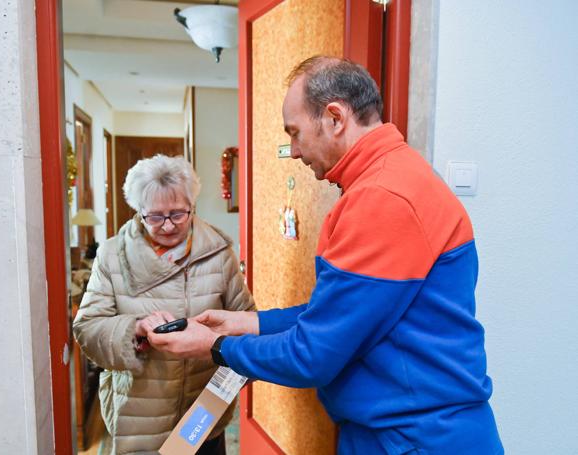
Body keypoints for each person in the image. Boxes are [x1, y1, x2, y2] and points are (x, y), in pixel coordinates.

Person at [144, 56, 504, 455]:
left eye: (295, 133)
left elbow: (313, 354)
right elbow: (340, 315)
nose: (294, 151)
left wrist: (215, 346)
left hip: (417, 438)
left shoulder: (383, 198)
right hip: (398, 431)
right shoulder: (393, 178)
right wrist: (250, 322)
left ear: (334, 117)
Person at [73, 154, 255, 455]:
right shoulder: (111, 255)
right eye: (155, 216)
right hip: (138, 416)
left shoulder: (219, 254)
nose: (168, 226)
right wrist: (136, 328)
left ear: (191, 206)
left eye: (178, 214)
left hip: (204, 413)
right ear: (138, 210)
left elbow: (246, 321)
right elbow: (88, 328)